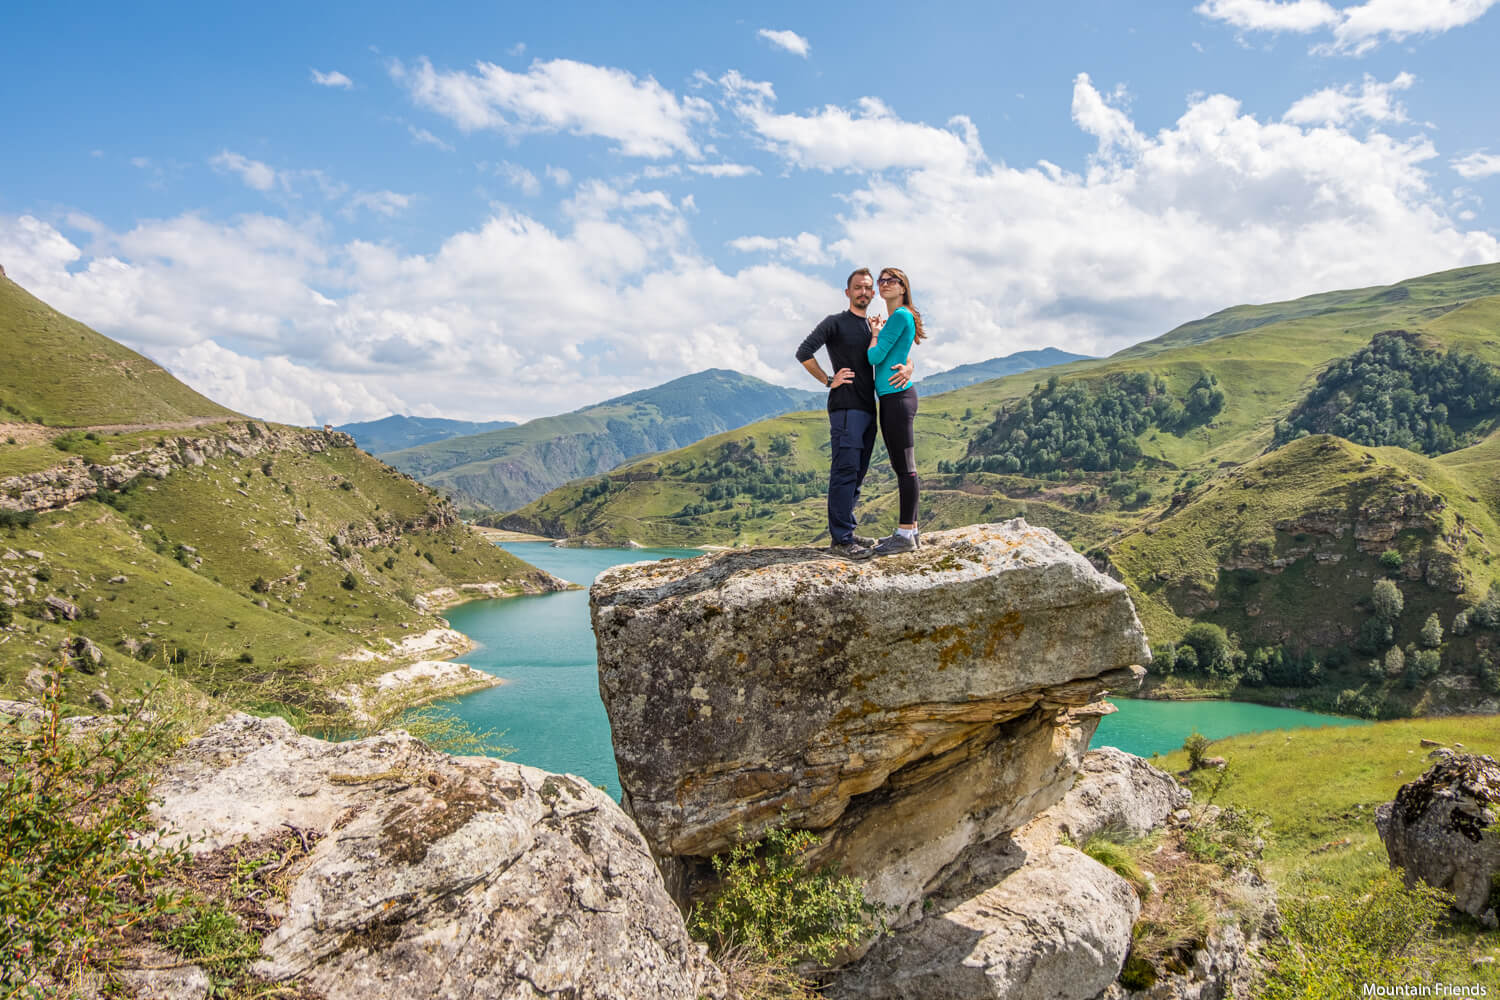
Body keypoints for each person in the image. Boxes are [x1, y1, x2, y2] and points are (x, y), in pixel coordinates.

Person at [795, 268, 912, 559]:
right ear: (847, 292)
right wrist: (827, 379)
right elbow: (804, 351)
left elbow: (896, 351)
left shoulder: (873, 328)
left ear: (873, 294)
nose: (863, 292)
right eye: (857, 288)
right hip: (846, 407)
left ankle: (847, 529)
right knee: (845, 471)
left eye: (868, 288)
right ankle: (841, 540)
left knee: (858, 473)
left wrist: (910, 367)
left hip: (869, 407)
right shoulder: (835, 323)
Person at [866, 267, 925, 556]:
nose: (885, 284)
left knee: (905, 468)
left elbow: (874, 356)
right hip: (895, 396)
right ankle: (911, 531)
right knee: (905, 467)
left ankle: (904, 534)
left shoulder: (900, 315)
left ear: (903, 287)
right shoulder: (900, 317)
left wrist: (874, 335)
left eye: (892, 280)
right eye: (882, 280)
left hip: (896, 398)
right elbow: (900, 354)